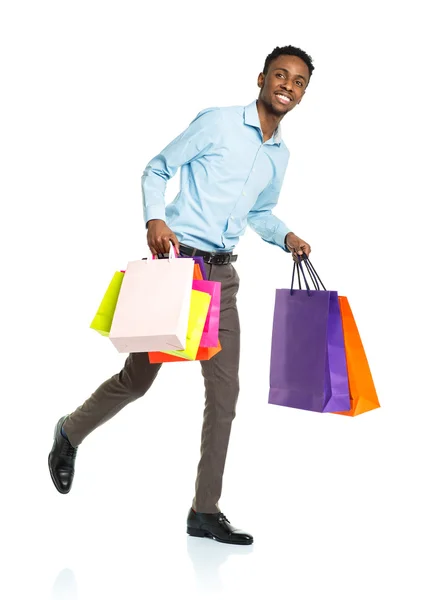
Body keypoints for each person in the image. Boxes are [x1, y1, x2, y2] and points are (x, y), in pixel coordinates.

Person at [48, 44, 314, 545]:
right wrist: (155, 217)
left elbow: (260, 213)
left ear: (303, 95)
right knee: (137, 380)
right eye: (281, 75)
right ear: (261, 77)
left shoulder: (280, 156)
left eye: (298, 82)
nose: (287, 85)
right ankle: (69, 432)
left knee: (225, 395)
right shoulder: (216, 124)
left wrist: (287, 237)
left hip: (224, 282)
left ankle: (204, 511)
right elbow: (157, 168)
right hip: (178, 270)